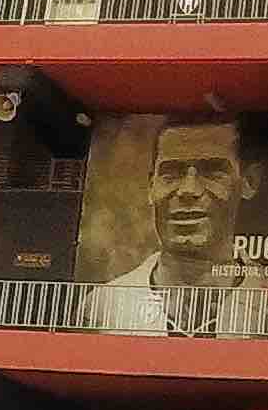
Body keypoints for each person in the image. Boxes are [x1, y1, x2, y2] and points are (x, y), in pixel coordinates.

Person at [91, 116, 258, 333]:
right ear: (151, 187)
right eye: (171, 174)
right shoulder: (104, 307)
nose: (188, 190)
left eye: (212, 172)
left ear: (249, 182)